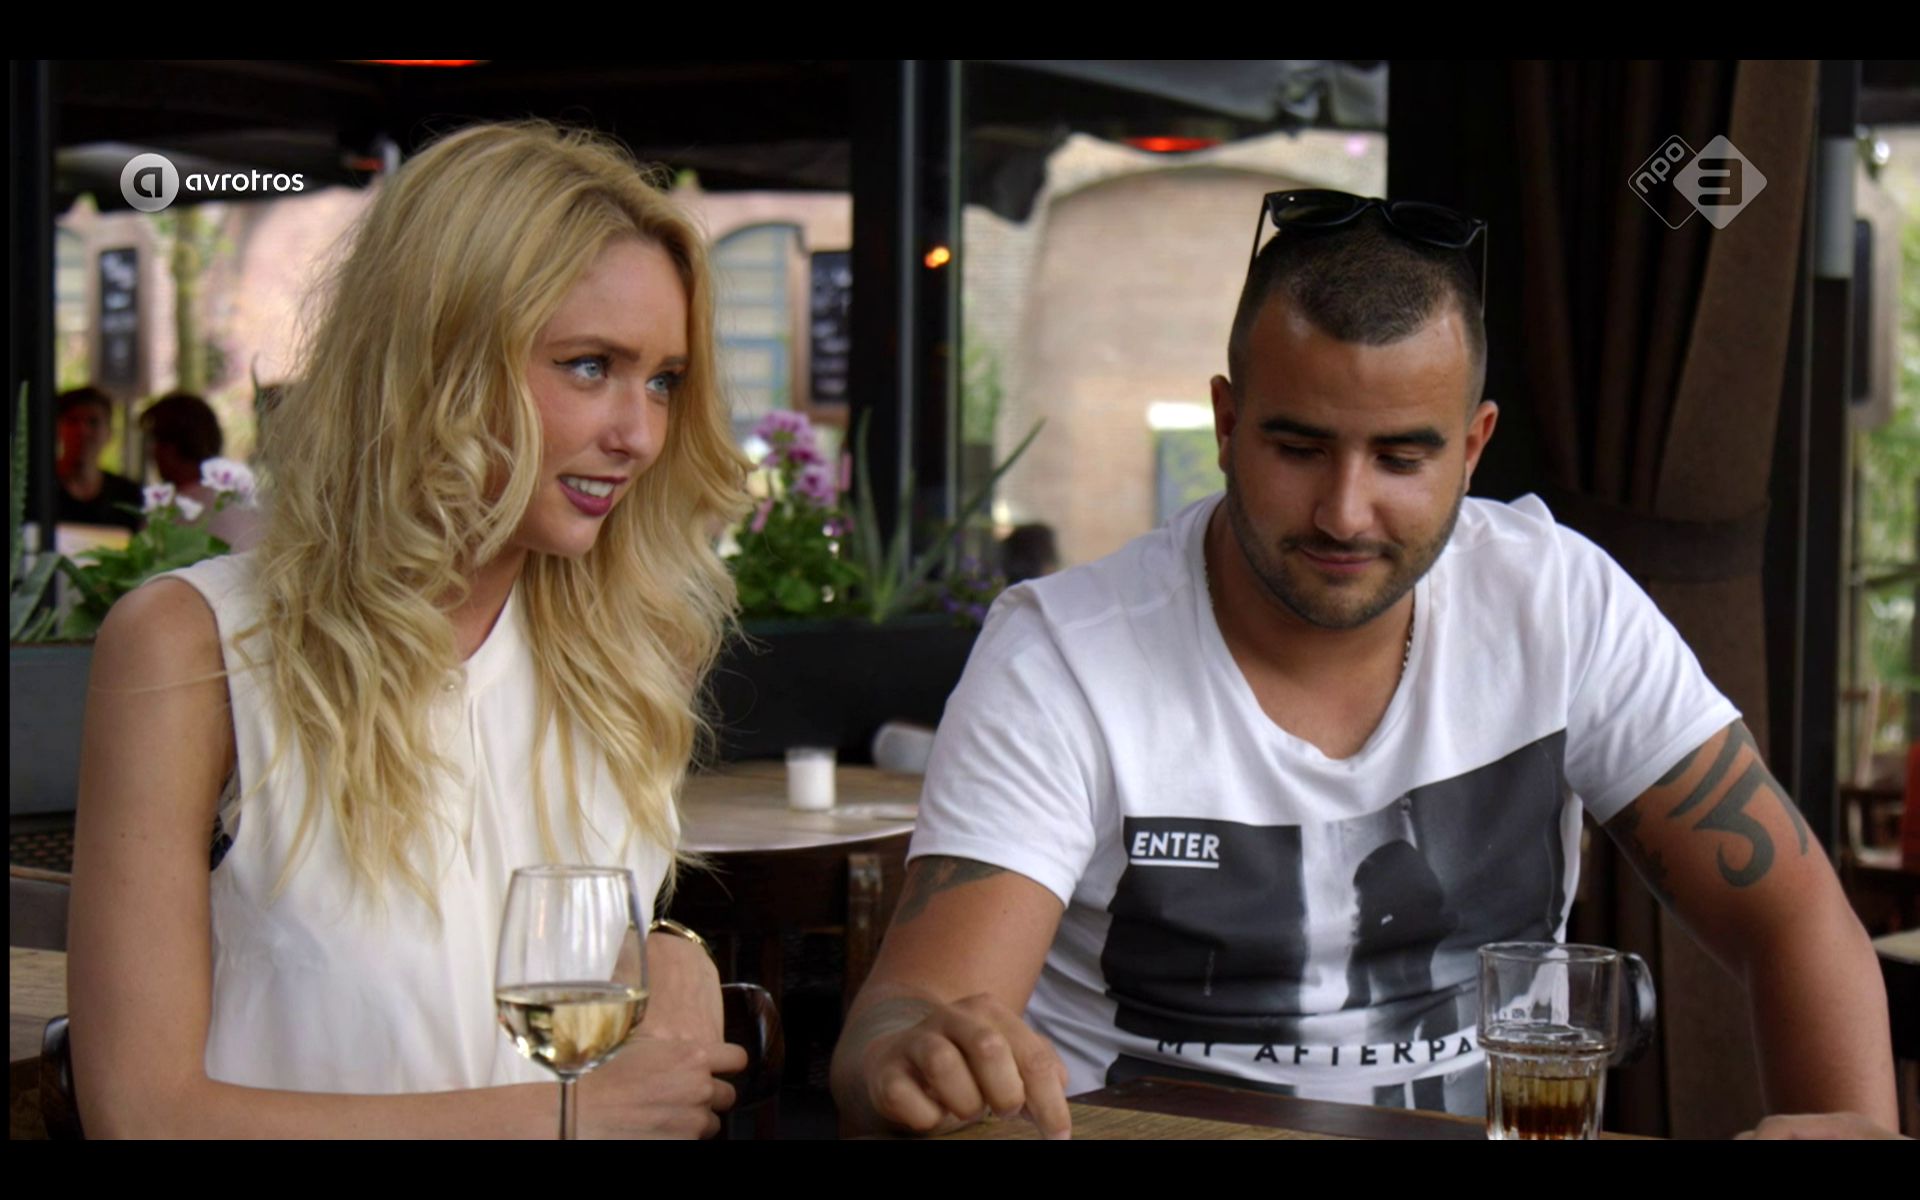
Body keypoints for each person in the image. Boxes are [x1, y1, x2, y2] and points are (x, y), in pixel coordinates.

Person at [831, 192, 1901, 1139]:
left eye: (1401, 456)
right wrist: (911, 1053)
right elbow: (912, 1011)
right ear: (1226, 424)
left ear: (1472, 448)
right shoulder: (1063, 656)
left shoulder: (1558, 603)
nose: (1345, 512)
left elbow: (1792, 914)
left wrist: (1851, 1124)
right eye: (1299, 448)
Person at [68, 121, 753, 1138]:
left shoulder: (629, 654)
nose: (639, 434)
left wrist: (669, 947)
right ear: (439, 357)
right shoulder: (197, 646)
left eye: (662, 380)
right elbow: (143, 1114)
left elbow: (519, 956)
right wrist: (560, 1119)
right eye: (588, 366)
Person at [139, 390, 262, 550]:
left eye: (155, 441)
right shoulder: (249, 506)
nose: (151, 453)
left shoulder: (166, 515)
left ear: (170, 447)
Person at [54, 385, 144, 531]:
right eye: (73, 421)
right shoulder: (37, 489)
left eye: (93, 422)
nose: (83, 431)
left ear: (109, 433)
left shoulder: (129, 496)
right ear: (58, 429)